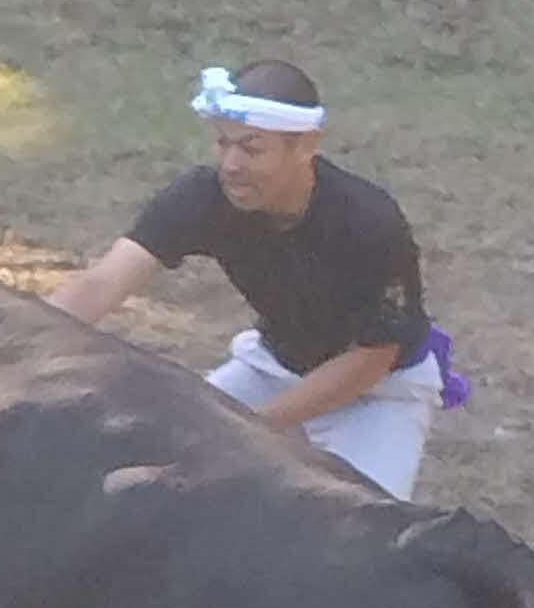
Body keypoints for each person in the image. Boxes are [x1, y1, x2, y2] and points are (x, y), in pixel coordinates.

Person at [52, 63, 448, 499]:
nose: (231, 165)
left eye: (251, 149)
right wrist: (22, 343)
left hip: (378, 394)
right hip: (271, 366)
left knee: (360, 531)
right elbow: (103, 283)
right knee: (161, 475)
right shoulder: (202, 198)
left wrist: (253, 428)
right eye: (223, 144)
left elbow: (372, 358)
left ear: (305, 147)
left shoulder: (368, 222)